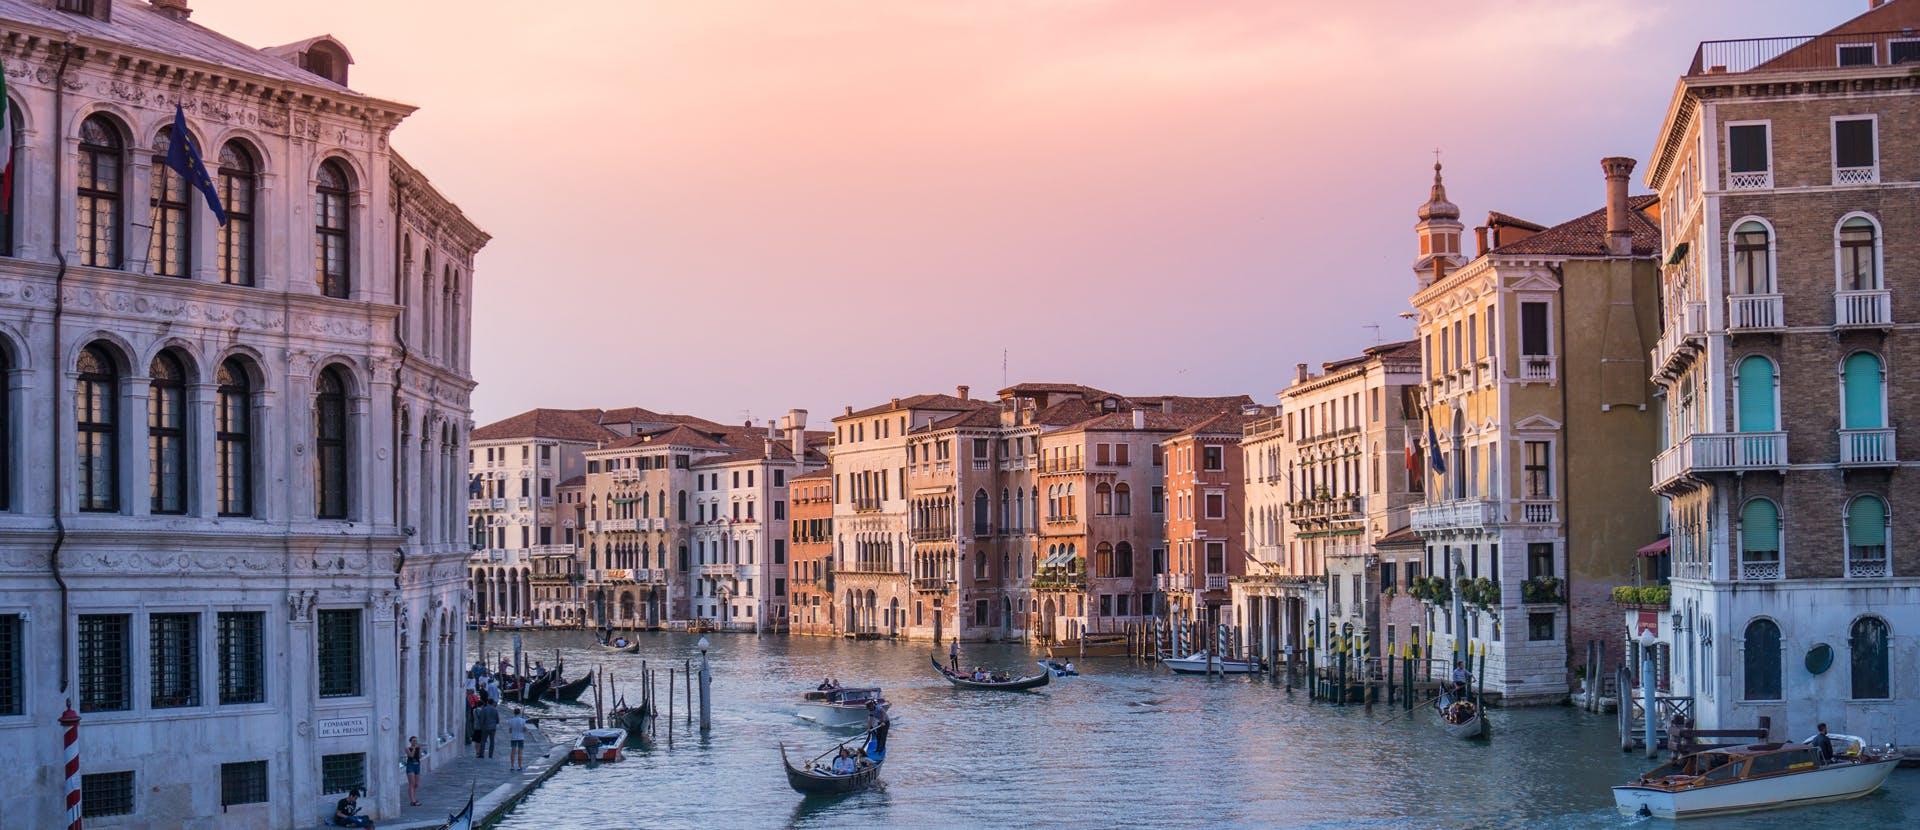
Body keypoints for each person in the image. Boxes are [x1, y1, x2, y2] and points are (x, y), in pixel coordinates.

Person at [505, 707, 530, 771]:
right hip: (521, 738)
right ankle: (519, 766)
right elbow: (524, 730)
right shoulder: (523, 720)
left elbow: (510, 731)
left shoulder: (511, 721)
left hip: (513, 737)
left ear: (514, 713)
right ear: (519, 713)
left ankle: (512, 766)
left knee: (513, 752)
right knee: (520, 752)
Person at [404, 736, 424, 806]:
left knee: (416, 784)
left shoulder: (418, 748)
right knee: (411, 783)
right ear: (411, 742)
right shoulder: (407, 748)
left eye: (416, 741)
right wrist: (415, 748)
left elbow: (420, 757)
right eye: (413, 741)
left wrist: (420, 749)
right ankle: (412, 801)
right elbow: (411, 755)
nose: (415, 742)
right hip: (410, 766)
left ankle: (414, 798)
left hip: (417, 766)